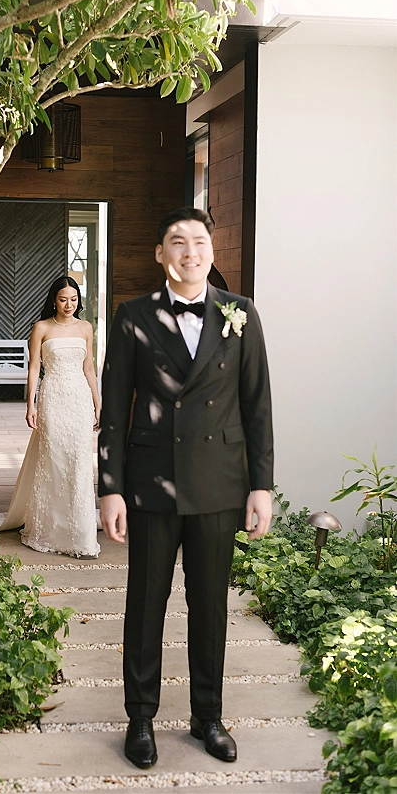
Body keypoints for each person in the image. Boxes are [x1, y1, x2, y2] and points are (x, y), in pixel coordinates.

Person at [98, 207, 273, 768]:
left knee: (211, 606)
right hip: (150, 486)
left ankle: (208, 717)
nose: (189, 252)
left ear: (213, 251)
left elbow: (257, 407)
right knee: (145, 606)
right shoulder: (131, 317)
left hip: (219, 487)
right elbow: (115, 412)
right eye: (177, 242)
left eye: (199, 242)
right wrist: (110, 488)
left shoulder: (240, 315)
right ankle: (141, 719)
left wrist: (261, 486)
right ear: (160, 253)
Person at [0, 276, 101, 559]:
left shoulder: (85, 328)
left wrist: (97, 400)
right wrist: (30, 404)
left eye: (73, 299)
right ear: (53, 300)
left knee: (80, 462)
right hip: (53, 397)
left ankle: (80, 534)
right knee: (54, 459)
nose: (69, 305)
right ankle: (50, 530)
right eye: (63, 299)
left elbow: (89, 367)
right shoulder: (41, 327)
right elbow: (34, 369)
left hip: (79, 399)